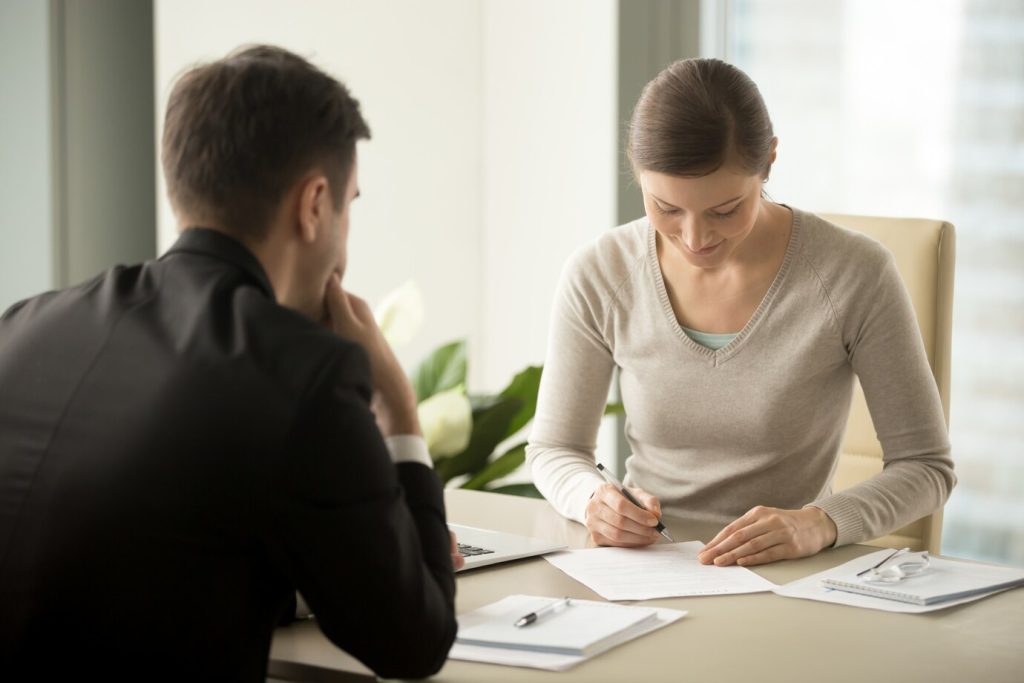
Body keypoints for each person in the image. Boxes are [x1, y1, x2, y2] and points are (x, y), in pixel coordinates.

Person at [0, 45, 461, 680]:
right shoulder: (300, 373)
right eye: (349, 205)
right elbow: (415, 643)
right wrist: (399, 406)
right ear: (314, 204)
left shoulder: (24, 325)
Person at [526, 58, 955, 567]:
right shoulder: (601, 273)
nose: (695, 238)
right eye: (666, 208)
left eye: (724, 211)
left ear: (769, 162)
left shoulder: (853, 273)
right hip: (644, 570)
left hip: (789, 574)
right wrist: (592, 501)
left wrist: (819, 523)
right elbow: (555, 449)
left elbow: (927, 468)